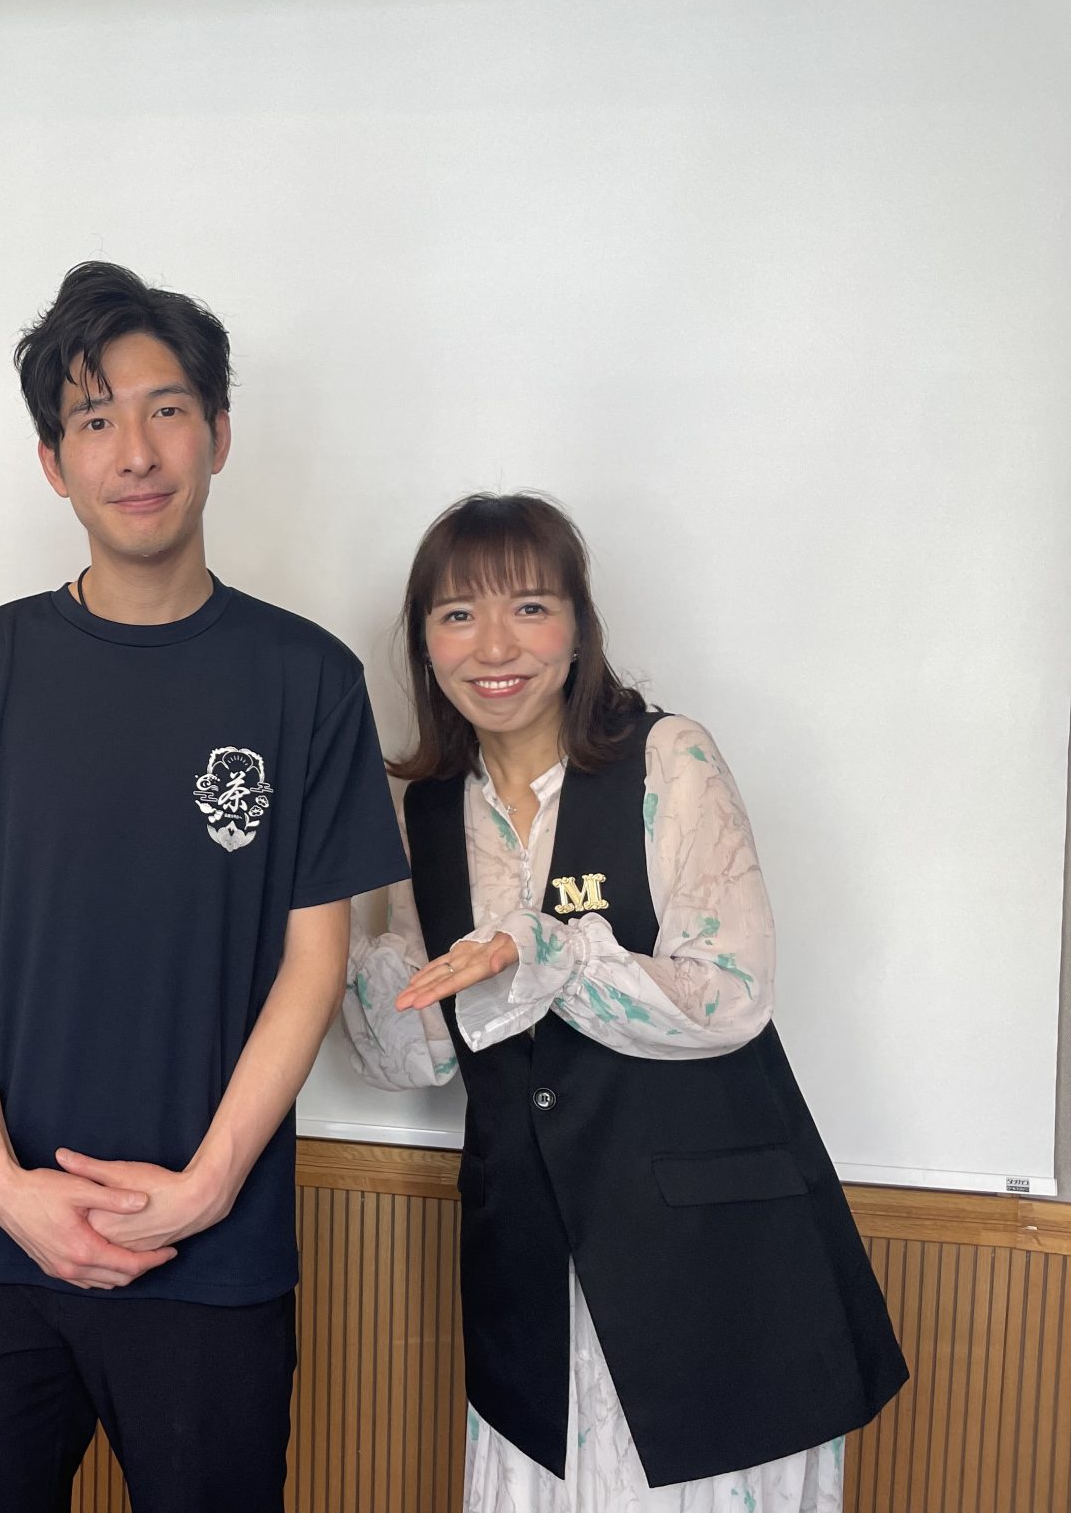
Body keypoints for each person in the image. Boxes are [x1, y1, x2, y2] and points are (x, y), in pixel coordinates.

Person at [0, 261, 407, 1513]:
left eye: (165, 411)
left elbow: (313, 960)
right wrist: (0, 1186)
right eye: (94, 419)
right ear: (53, 462)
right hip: (0, 1245)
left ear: (218, 433)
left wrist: (205, 1188)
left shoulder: (306, 680)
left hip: (216, 1250)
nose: (135, 451)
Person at [343, 492, 907, 1511]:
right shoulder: (423, 808)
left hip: (708, 1263)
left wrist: (546, 951)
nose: (494, 646)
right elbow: (417, 1050)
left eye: (529, 606)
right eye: (457, 614)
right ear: (424, 643)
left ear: (577, 627)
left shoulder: (666, 758)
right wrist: (328, 926)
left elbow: (730, 996)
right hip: (530, 1268)